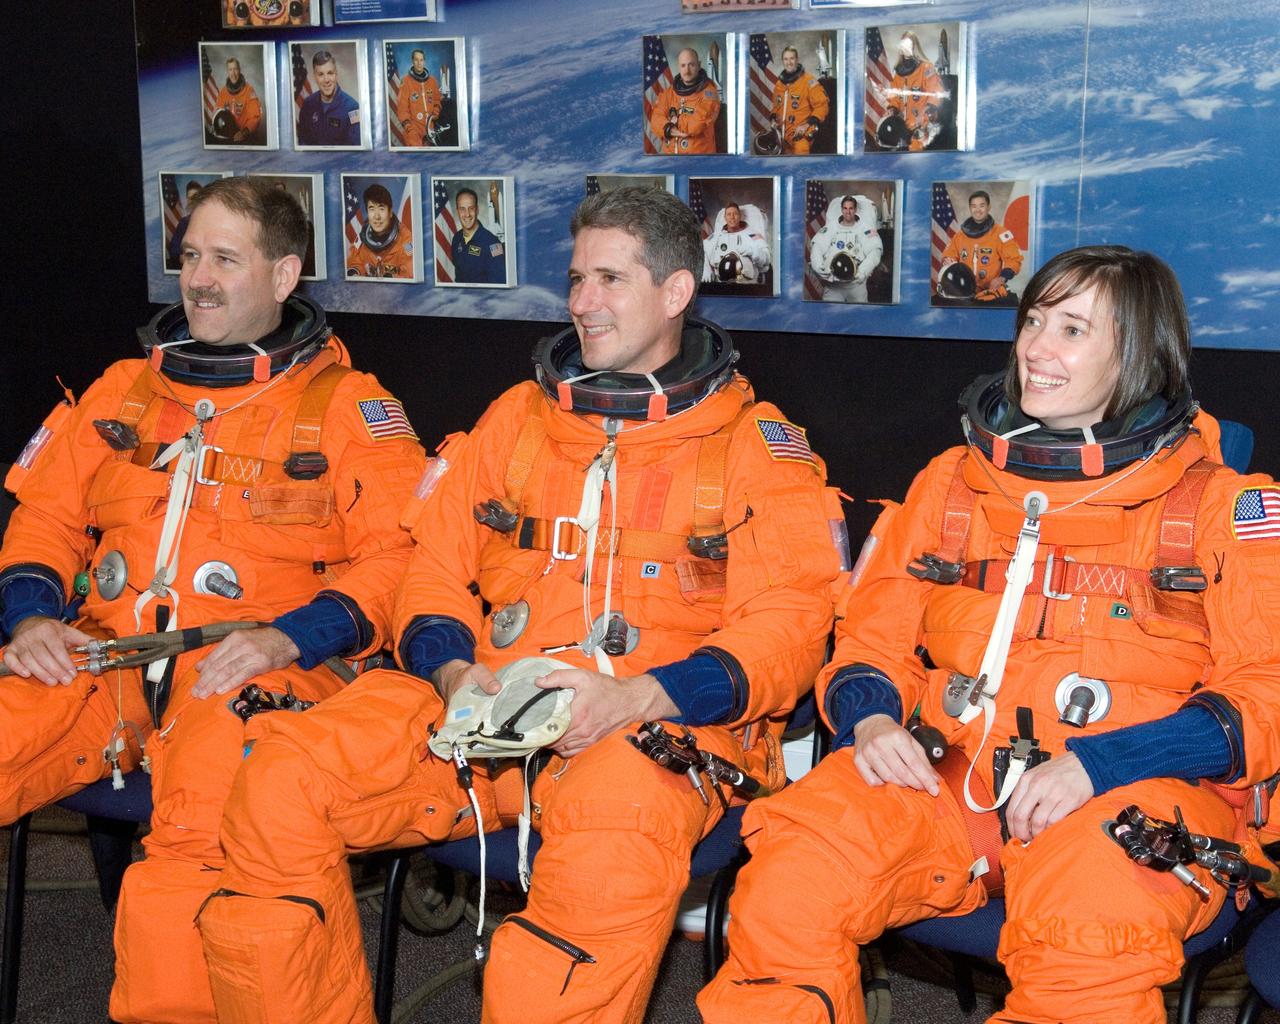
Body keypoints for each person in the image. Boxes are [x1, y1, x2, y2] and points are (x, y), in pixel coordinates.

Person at [198, 185, 843, 1024]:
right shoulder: (518, 420)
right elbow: (429, 567)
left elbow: (793, 625)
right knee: (280, 776)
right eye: (577, 278)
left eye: (610, 279)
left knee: (597, 872)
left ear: (676, 292)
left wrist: (638, 697)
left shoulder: (754, 447)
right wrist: (456, 670)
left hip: (648, 729)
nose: (582, 303)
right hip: (478, 715)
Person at [700, 245, 1280, 1024]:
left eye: (1072, 330)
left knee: (1086, 952)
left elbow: (1268, 690)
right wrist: (871, 715)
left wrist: (1100, 765)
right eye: (1034, 321)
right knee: (786, 883)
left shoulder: (1225, 508)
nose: (1036, 349)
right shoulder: (952, 483)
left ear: (1138, 355)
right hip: (951, 773)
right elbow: (869, 637)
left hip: (1131, 793)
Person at [0, 176, 425, 1023]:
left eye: (225, 259)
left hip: (248, 673)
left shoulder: (349, 409)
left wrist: (291, 640)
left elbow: (401, 561)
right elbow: (42, 518)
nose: (198, 278)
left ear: (284, 274)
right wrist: (30, 617)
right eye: (190, 256)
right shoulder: (122, 390)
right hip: (104, 662)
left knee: (188, 853)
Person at [939, 190, 1023, 306]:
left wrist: (1002, 278)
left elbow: (1014, 259)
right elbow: (948, 254)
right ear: (970, 208)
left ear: (989, 207)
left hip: (989, 292)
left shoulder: (1000, 234)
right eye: (974, 206)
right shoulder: (960, 236)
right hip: (963, 291)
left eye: (981, 206)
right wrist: (948, 261)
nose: (977, 210)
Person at [809, 194, 882, 303]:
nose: (848, 212)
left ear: (855, 210)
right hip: (833, 285)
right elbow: (817, 246)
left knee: (858, 317)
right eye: (845, 208)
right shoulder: (830, 228)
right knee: (830, 317)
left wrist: (861, 272)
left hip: (856, 286)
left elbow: (875, 252)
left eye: (851, 208)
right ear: (841, 209)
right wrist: (819, 267)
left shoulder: (865, 229)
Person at [650, 47, 721, 154]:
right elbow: (655, 118)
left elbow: (696, 124)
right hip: (671, 158)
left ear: (699, 65)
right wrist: (669, 128)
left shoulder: (709, 93)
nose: (687, 71)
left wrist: (669, 126)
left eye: (691, 65)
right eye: (683, 65)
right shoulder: (669, 93)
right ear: (679, 67)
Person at [882, 31, 944, 152]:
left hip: (921, 126)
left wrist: (925, 112)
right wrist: (892, 109)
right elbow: (894, 97)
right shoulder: (898, 73)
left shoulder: (926, 68)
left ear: (915, 46)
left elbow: (936, 92)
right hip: (901, 128)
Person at [769, 46, 829, 156]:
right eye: (786, 59)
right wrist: (773, 118)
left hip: (800, 136)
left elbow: (822, 105)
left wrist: (806, 125)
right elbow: (776, 107)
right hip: (782, 137)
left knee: (800, 166)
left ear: (797, 60)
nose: (789, 62)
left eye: (792, 58)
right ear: (783, 61)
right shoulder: (779, 84)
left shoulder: (808, 81)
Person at [346, 182, 414, 279]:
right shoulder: (363, 237)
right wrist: (355, 271)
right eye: (372, 209)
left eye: (381, 209)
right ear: (367, 212)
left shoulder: (406, 240)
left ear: (390, 212)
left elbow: (410, 272)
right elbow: (355, 261)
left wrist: (390, 276)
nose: (376, 216)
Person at [297, 49, 361, 147]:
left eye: (330, 73)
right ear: (314, 77)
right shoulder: (307, 105)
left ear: (336, 74)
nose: (326, 80)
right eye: (321, 74)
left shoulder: (352, 108)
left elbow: (355, 150)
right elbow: (302, 144)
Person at [702, 202, 771, 284]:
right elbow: (702, 250)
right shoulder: (716, 237)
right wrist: (706, 268)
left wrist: (753, 252)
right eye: (729, 214)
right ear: (725, 217)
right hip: (722, 285)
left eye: (735, 214)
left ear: (740, 216)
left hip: (747, 284)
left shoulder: (753, 236)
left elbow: (767, 259)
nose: (732, 217)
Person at [450, 186, 506, 284]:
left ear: (477, 210)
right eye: (462, 209)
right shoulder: (456, 239)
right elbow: (458, 278)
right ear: (457, 211)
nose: (467, 214)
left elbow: (498, 284)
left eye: (471, 208)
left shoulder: (493, 244)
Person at [395, 48, 443, 147]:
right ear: (412, 61)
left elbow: (437, 101)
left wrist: (435, 112)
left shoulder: (432, 81)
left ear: (424, 61)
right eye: (416, 60)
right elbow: (402, 107)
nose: (419, 63)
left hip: (430, 128)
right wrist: (409, 127)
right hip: (414, 130)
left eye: (421, 60)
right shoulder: (406, 81)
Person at [212, 57, 262, 144]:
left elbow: (255, 117)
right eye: (230, 70)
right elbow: (218, 113)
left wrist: (244, 132)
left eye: (235, 69)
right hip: (227, 137)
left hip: (244, 137)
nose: (233, 73)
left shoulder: (248, 90)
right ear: (227, 72)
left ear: (239, 70)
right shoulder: (223, 92)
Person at [165, 179, 204, 272]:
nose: (192, 201)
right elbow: (173, 248)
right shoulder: (183, 223)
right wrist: (180, 256)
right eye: (189, 198)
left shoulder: (214, 220)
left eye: (195, 196)